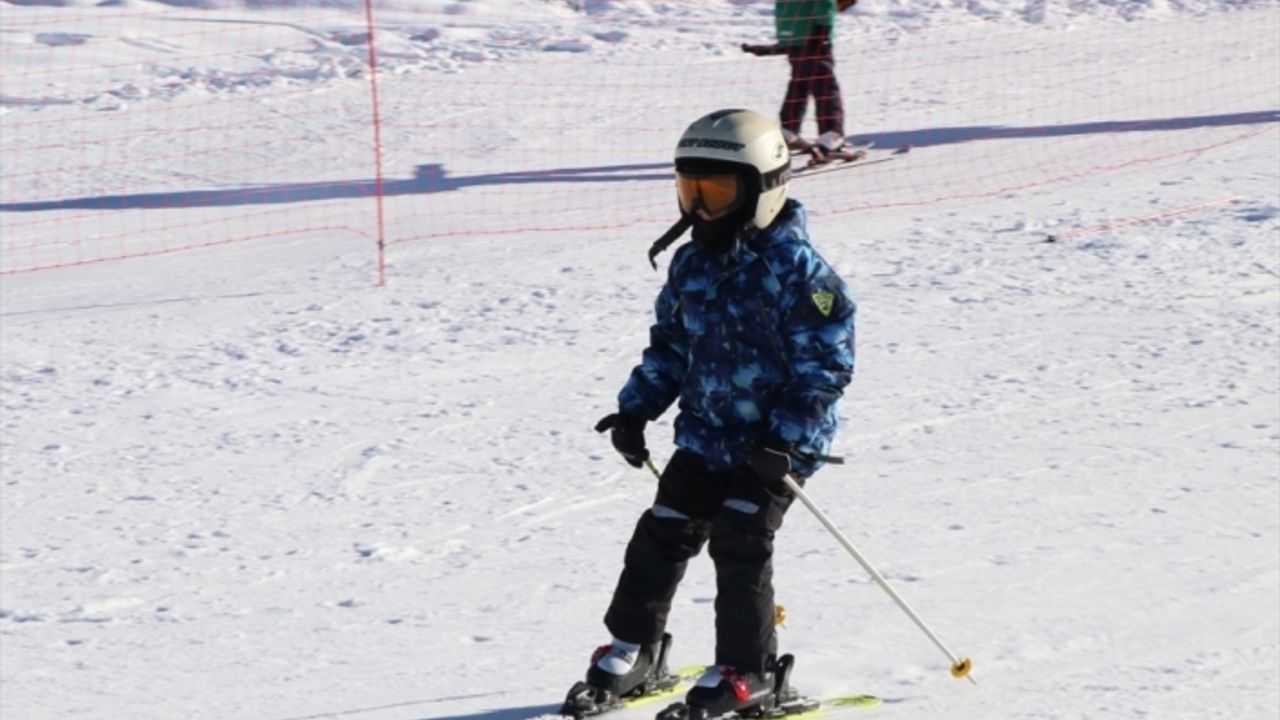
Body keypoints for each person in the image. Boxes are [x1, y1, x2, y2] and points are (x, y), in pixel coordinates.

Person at [561, 109, 856, 719]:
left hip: (774, 447)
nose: (698, 209)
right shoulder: (691, 263)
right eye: (690, 190)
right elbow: (670, 346)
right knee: (661, 531)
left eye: (715, 193)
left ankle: (748, 671)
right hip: (706, 435)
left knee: (741, 538)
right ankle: (633, 649)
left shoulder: (798, 273)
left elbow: (824, 369)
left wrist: (786, 439)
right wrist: (635, 409)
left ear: (763, 191)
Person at [742, 0, 857, 156]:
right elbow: (825, 3)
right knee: (825, 87)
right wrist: (822, 31)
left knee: (799, 84)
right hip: (813, 36)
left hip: (792, 34)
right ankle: (831, 136)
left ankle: (788, 131)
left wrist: (786, 39)